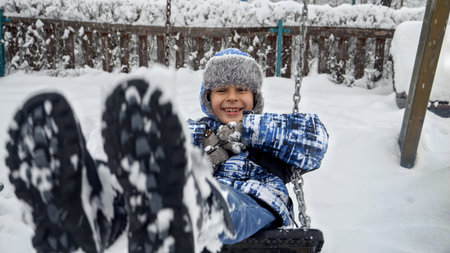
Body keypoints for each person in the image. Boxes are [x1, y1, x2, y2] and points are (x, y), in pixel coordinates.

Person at [4, 48, 328, 253]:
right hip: (178, 195)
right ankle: (91, 205)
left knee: (198, 194)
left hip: (251, 207)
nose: (232, 97)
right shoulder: (198, 129)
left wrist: (250, 129)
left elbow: (315, 140)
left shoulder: (271, 133)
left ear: (255, 98)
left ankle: (186, 208)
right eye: (221, 90)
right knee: (142, 180)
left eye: (242, 90)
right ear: (208, 98)